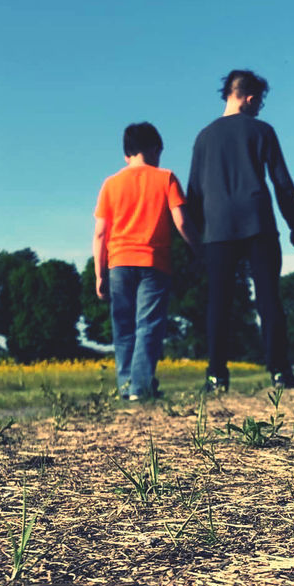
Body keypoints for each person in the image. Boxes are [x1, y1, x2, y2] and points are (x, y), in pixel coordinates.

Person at [186, 69, 294, 392]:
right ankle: (280, 372)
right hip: (258, 223)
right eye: (260, 103)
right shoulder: (262, 131)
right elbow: (282, 183)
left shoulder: (203, 137)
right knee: (269, 298)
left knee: (219, 302)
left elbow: (194, 195)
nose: (259, 109)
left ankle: (216, 376)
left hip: (217, 230)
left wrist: (195, 242)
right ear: (251, 98)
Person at [93, 122, 199, 401]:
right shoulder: (165, 178)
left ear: (126, 154)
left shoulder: (110, 184)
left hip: (118, 263)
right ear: (155, 149)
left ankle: (128, 387)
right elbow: (182, 221)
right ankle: (139, 389)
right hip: (154, 262)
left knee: (123, 328)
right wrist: (199, 249)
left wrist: (99, 274)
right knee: (149, 325)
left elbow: (101, 232)